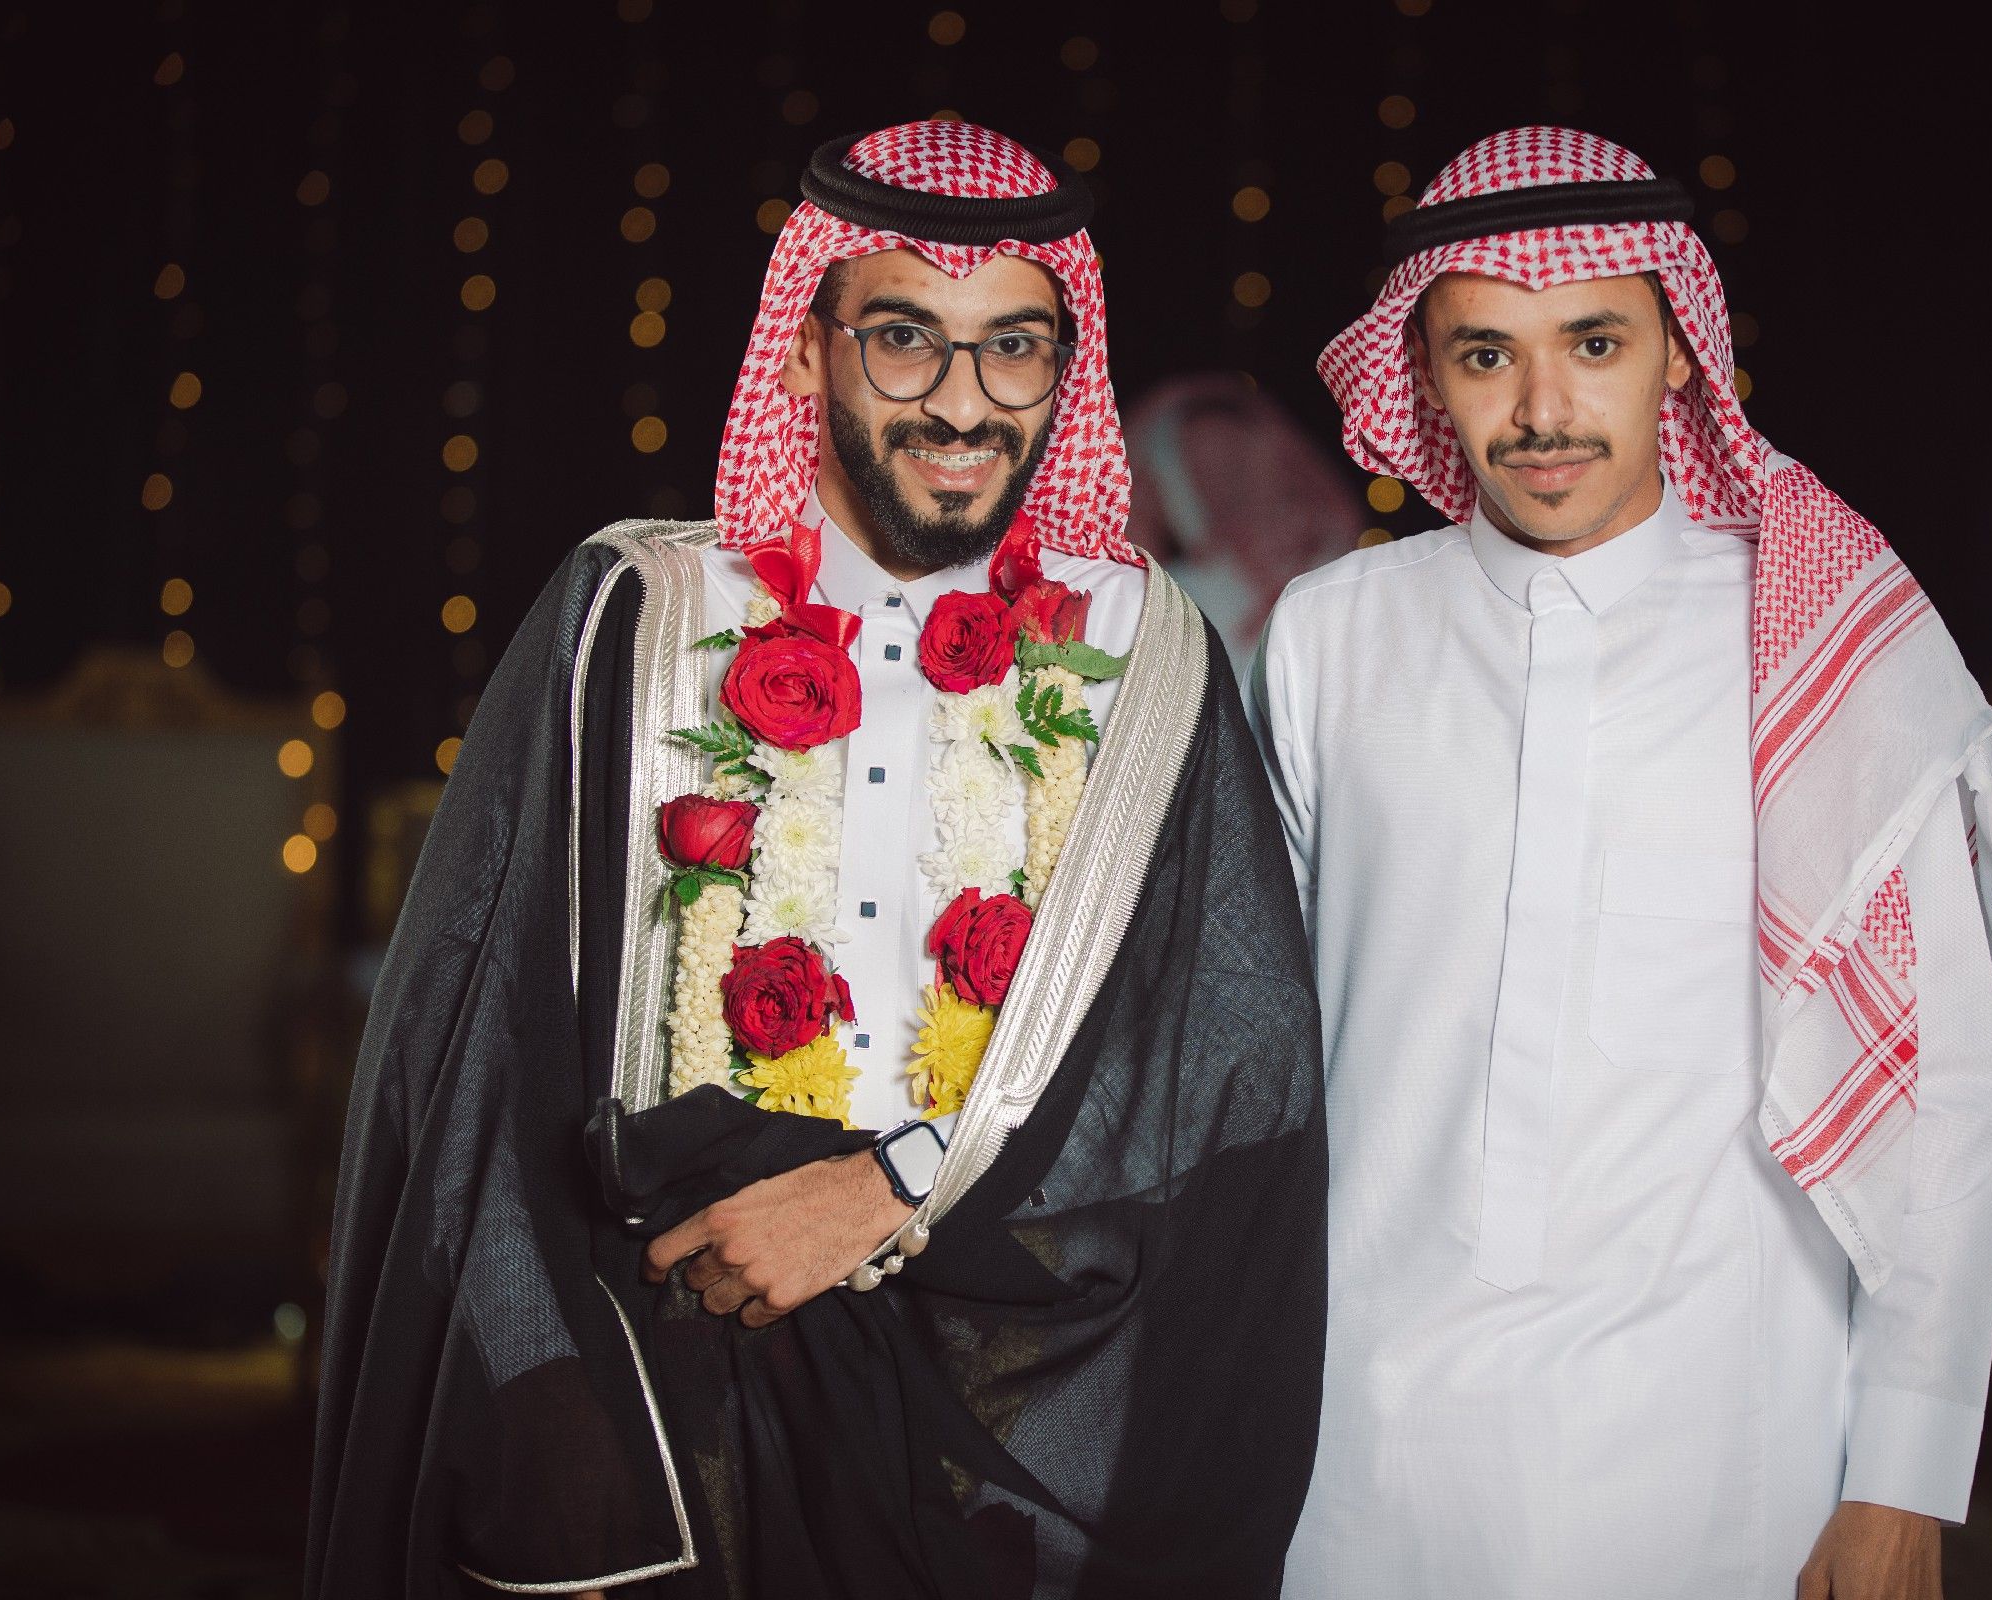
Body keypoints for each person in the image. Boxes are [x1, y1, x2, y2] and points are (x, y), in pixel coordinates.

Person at [308, 121, 1326, 1600]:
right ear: (803, 347)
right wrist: (545, 1401)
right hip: (679, 1358)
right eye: (906, 339)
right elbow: (481, 1050)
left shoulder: (1137, 649)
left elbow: (1218, 1063)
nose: (963, 402)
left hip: (1006, 1385)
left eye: (1014, 348)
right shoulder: (641, 615)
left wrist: (894, 1187)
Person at [1251, 126, 1992, 1598]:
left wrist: (1903, 1478)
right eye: (1486, 356)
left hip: (1732, 1433)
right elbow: (1250, 1044)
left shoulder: (1824, 646)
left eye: (1593, 343)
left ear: (1678, 356)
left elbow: (1946, 1097)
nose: (1543, 409)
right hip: (1368, 1436)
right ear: (1425, 376)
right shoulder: (1332, 636)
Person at [1121, 374, 1366, 679]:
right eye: (1202, 469)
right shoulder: (1187, 591)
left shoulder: (1323, 551)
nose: (1225, 484)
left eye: (1234, 462)